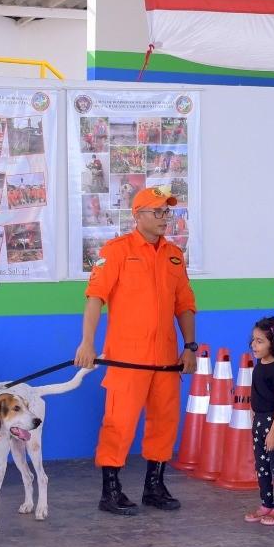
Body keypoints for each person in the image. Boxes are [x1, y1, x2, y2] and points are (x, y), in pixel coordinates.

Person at [76, 186, 199, 515]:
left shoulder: (174, 254)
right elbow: (95, 298)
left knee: (164, 423)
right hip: (127, 359)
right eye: (157, 212)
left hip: (166, 360)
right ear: (138, 215)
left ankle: (154, 486)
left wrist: (189, 346)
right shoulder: (116, 251)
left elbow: (185, 305)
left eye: (167, 213)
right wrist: (87, 343)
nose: (164, 219)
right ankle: (111, 490)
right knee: (119, 424)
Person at [246, 316, 274, 523]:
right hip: (259, 421)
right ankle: (266, 504)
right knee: (261, 465)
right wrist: (253, 410)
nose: (253, 345)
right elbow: (258, 390)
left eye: (260, 341)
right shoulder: (259, 364)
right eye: (253, 340)